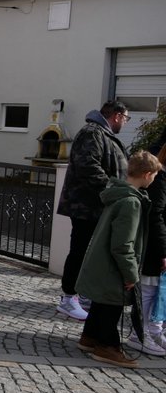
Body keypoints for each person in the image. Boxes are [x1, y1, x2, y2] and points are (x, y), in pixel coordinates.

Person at [76, 151, 161, 368]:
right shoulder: (131, 202)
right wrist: (131, 274)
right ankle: (107, 346)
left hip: (102, 260)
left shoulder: (118, 193)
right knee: (112, 304)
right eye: (154, 175)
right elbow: (123, 244)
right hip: (112, 265)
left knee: (101, 301)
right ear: (147, 174)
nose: (154, 179)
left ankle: (89, 337)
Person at [56, 101, 129, 320]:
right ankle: (69, 299)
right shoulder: (92, 133)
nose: (125, 123)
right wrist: (114, 188)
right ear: (117, 116)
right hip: (86, 207)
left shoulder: (103, 134)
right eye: (125, 119)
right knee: (79, 251)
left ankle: (82, 295)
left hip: (97, 206)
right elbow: (88, 167)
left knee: (91, 253)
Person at [131, 144, 166, 355]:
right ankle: (139, 334)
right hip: (153, 245)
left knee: (157, 291)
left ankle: (152, 331)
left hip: (158, 243)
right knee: (149, 290)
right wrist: (163, 251)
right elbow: (156, 217)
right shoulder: (159, 180)